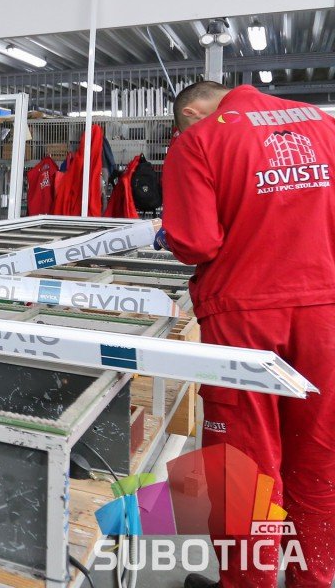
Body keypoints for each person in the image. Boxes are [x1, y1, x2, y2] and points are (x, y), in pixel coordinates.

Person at [162, 80, 335, 588]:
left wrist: (170, 231)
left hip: (244, 316)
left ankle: (247, 583)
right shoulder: (326, 126)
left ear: (191, 114)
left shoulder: (198, 141)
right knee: (318, 455)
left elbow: (195, 243)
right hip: (326, 312)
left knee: (245, 466)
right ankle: (313, 578)